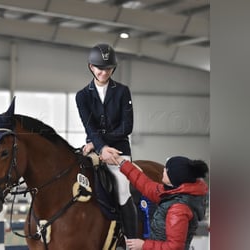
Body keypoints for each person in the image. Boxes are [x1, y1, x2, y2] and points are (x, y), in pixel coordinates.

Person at [75, 43, 138, 242]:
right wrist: (100, 147)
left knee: (121, 190)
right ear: (91, 67)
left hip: (119, 150)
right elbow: (89, 127)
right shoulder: (82, 96)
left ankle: (130, 241)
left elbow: (126, 127)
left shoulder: (122, 91)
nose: (104, 72)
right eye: (100, 68)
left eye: (109, 68)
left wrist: (100, 144)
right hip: (95, 148)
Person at [111, 155, 209, 250]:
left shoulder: (179, 209)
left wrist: (143, 245)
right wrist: (121, 162)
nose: (163, 170)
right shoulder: (172, 193)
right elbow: (145, 185)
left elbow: (175, 247)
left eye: (166, 170)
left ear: (174, 179)